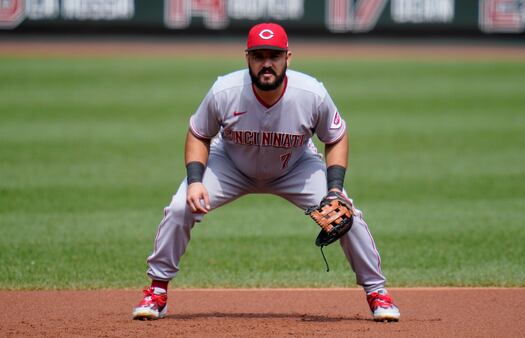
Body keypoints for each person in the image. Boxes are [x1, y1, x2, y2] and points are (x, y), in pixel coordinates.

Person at [132, 22, 400, 322]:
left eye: (274, 55)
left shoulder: (312, 94)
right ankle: (157, 290)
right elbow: (198, 133)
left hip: (295, 166)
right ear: (247, 58)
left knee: (345, 215)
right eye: (259, 56)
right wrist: (195, 181)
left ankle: (377, 292)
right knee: (181, 206)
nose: (267, 63)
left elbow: (336, 136)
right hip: (230, 164)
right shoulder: (225, 91)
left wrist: (334, 188)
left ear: (288, 57)